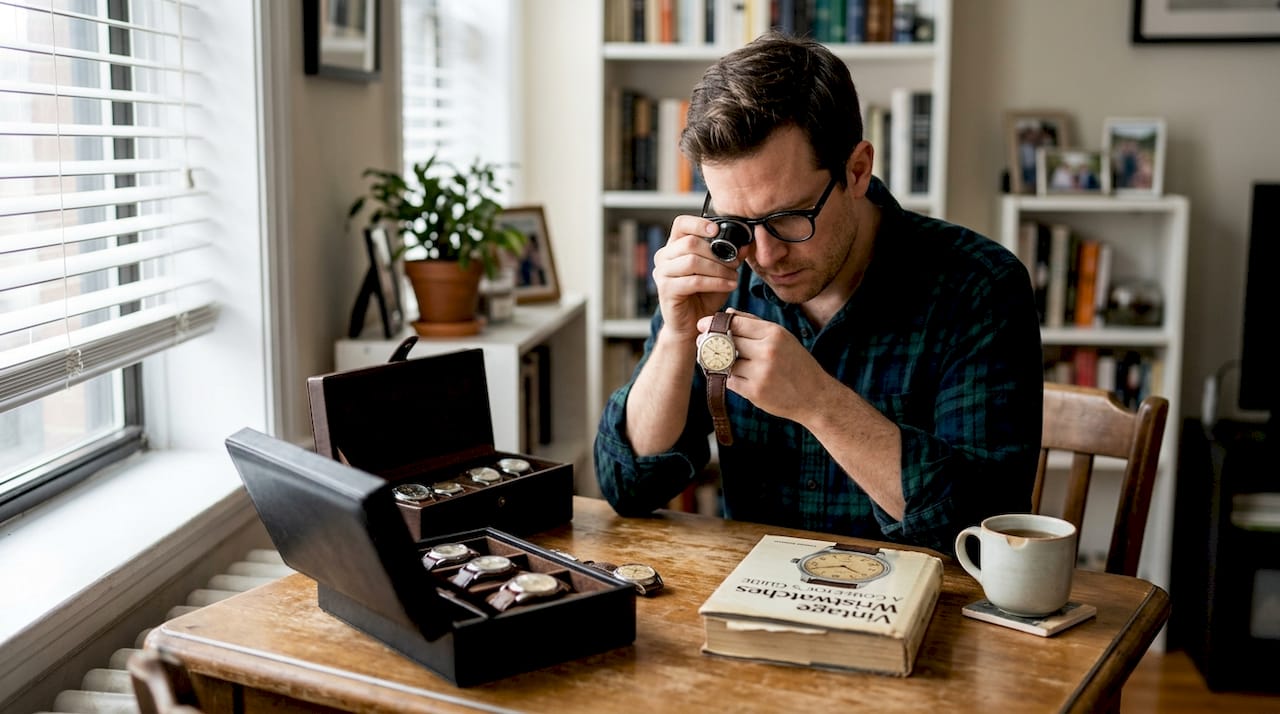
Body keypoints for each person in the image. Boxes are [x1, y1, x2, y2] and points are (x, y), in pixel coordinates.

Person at [592, 32, 1044, 555]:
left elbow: (988, 534)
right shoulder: (719, 271)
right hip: (751, 594)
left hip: (924, 600)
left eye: (788, 217)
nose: (764, 255)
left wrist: (818, 403)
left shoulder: (980, 287)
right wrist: (675, 336)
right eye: (737, 222)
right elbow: (628, 487)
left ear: (857, 170)